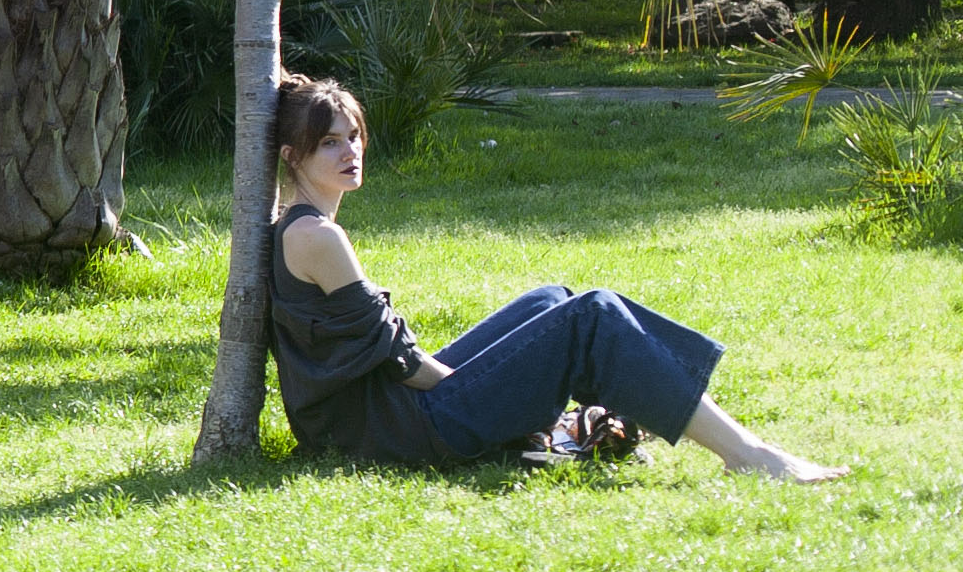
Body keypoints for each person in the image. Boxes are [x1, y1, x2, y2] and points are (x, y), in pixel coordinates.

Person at [265, 73, 840, 481]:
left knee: (551, 300)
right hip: (394, 435)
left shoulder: (296, 226)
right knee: (592, 315)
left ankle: (610, 410)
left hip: (371, 423)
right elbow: (401, 361)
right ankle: (747, 454)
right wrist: (481, 385)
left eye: (353, 136)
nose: (350, 151)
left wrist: (496, 380)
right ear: (293, 155)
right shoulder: (318, 237)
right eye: (329, 143)